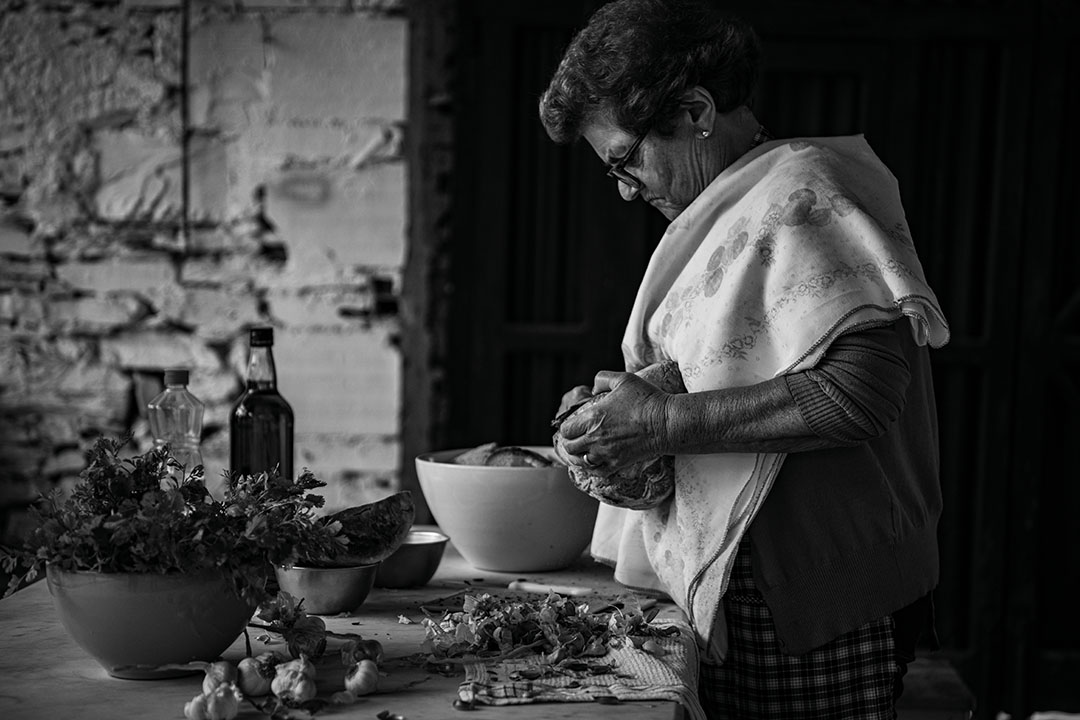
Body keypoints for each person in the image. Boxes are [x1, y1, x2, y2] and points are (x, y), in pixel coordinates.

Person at [538, 1, 951, 718]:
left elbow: (859, 395)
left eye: (626, 160)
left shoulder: (806, 194)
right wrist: (629, 406)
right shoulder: (732, 209)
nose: (625, 188)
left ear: (696, 109)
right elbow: (743, 372)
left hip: (811, 603)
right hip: (742, 597)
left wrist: (664, 420)